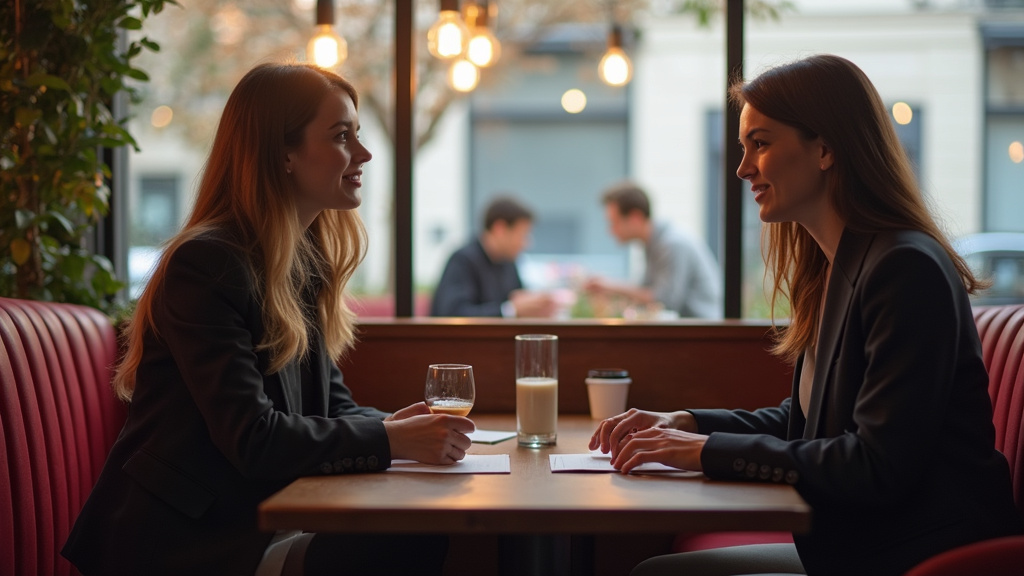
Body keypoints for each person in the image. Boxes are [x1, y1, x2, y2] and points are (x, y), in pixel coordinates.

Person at [590, 54, 1023, 576]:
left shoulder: (905, 268)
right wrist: (684, 424)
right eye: (742, 147)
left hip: (923, 557)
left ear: (824, 149)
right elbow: (808, 423)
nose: (742, 167)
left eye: (761, 143)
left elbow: (875, 465)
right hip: (860, 546)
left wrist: (703, 450)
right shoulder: (839, 264)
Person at [62, 62, 474, 576]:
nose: (364, 154)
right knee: (403, 543)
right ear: (282, 153)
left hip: (253, 517)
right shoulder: (207, 264)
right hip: (186, 541)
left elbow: (333, 406)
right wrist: (393, 440)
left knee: (415, 532)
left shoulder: (297, 261)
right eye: (342, 136)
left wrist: (397, 426)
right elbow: (253, 439)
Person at [584, 181, 722, 319]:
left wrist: (610, 287)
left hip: (704, 331)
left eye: (614, 222)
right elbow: (645, 291)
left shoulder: (672, 244)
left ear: (635, 217)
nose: (610, 231)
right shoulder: (653, 243)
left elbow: (664, 301)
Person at [430, 195, 559, 317]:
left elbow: (517, 299)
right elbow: (454, 312)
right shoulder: (462, 260)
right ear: (500, 229)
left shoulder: (507, 262)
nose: (526, 243)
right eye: (522, 235)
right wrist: (511, 310)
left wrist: (534, 306)